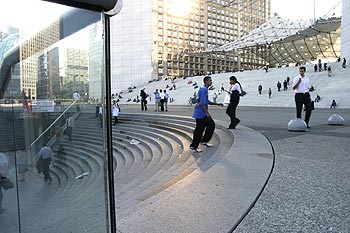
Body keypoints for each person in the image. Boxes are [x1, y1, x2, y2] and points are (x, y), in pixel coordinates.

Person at [190, 76, 223, 152]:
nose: (211, 82)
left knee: (210, 125)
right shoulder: (204, 90)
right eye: (210, 81)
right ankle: (194, 146)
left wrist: (217, 104)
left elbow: (206, 101)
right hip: (200, 113)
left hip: (202, 113)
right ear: (206, 81)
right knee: (200, 129)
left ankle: (204, 141)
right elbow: (202, 103)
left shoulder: (204, 90)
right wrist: (207, 113)